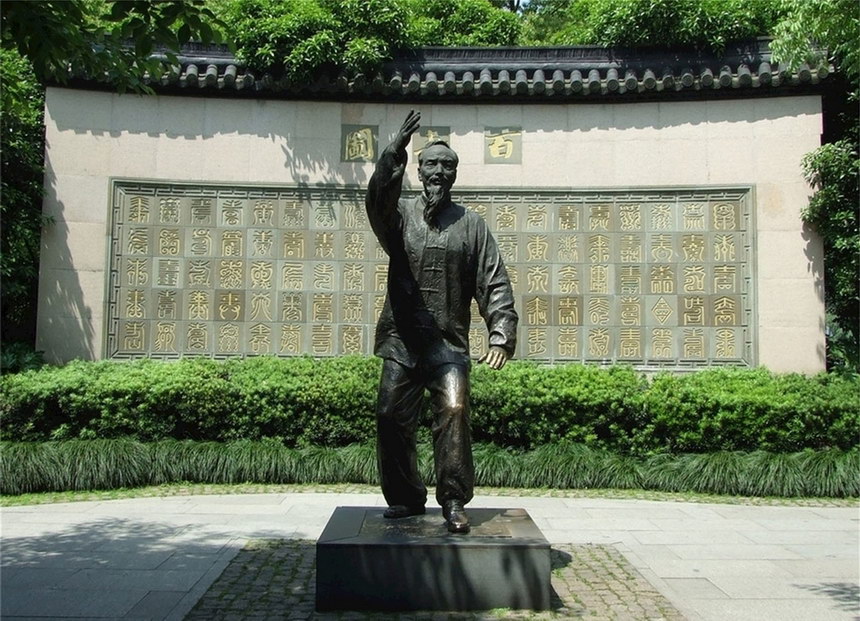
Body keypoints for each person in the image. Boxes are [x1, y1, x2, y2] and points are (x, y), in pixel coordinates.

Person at [365, 110, 518, 534]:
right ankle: (405, 496)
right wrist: (392, 153)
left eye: (446, 166)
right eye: (430, 164)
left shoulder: (471, 226)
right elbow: (377, 201)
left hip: (447, 345)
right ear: (417, 171)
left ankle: (453, 499)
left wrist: (501, 335)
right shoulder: (399, 217)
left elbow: (493, 281)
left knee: (454, 408)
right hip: (402, 342)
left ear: (454, 174)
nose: (438, 172)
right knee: (389, 414)